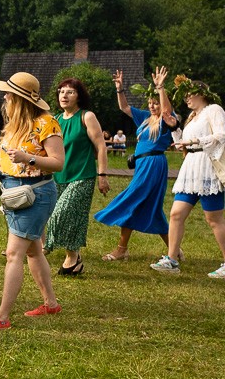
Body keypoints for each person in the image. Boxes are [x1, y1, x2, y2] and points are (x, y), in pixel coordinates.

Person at [0, 72, 64, 330]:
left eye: (9, 94)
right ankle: (51, 303)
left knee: (14, 254)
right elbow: (10, 159)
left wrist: (28, 158)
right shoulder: (15, 124)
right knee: (33, 250)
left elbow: (57, 163)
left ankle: (1, 317)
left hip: (35, 194)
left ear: (21, 99)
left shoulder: (47, 123)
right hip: (16, 193)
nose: (5, 97)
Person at [95, 67, 178, 261]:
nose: (152, 106)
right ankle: (174, 250)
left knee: (132, 198)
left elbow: (166, 110)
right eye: (150, 103)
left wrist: (161, 88)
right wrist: (119, 88)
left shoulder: (166, 120)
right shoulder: (145, 118)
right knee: (151, 208)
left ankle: (122, 249)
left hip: (154, 163)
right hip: (142, 165)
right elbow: (124, 108)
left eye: (155, 104)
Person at [151, 75, 225, 277]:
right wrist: (175, 127)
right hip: (190, 170)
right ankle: (171, 260)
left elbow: (221, 135)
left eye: (190, 95)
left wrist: (192, 139)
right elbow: (182, 142)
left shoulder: (214, 110)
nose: (187, 99)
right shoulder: (193, 117)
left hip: (207, 168)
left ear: (202, 94)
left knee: (214, 220)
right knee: (176, 214)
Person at [44, 77, 110, 274]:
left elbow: (101, 146)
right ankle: (73, 261)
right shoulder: (55, 119)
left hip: (82, 176)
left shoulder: (86, 116)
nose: (64, 95)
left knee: (60, 213)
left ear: (79, 96)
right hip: (58, 176)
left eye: (70, 92)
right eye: (61, 91)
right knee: (74, 218)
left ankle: (45, 246)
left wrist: (102, 175)